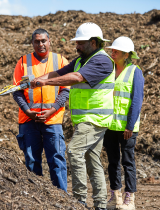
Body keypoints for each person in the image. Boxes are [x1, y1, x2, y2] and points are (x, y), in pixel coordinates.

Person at [31, 22, 115, 210]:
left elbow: (76, 78)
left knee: (74, 151)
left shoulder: (102, 60)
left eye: (80, 43)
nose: (76, 46)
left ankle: (79, 202)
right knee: (93, 162)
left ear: (93, 42)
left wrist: (45, 83)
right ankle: (101, 205)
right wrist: (35, 80)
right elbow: (58, 72)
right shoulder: (80, 60)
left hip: (94, 119)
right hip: (86, 119)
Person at [13, 28, 69, 192]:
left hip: (53, 120)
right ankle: (35, 200)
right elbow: (16, 91)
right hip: (29, 120)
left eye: (43, 41)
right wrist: (27, 111)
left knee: (57, 160)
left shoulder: (60, 61)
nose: (40, 44)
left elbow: (65, 90)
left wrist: (52, 110)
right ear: (32, 43)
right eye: (37, 41)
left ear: (49, 41)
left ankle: (62, 198)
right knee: (31, 162)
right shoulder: (23, 62)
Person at [103, 36, 144, 210]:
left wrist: (129, 125)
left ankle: (130, 200)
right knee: (112, 162)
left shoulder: (135, 71)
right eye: (112, 50)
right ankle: (115, 197)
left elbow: (136, 100)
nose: (112, 53)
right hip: (109, 126)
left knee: (128, 163)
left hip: (127, 128)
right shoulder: (109, 70)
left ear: (126, 54)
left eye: (116, 51)